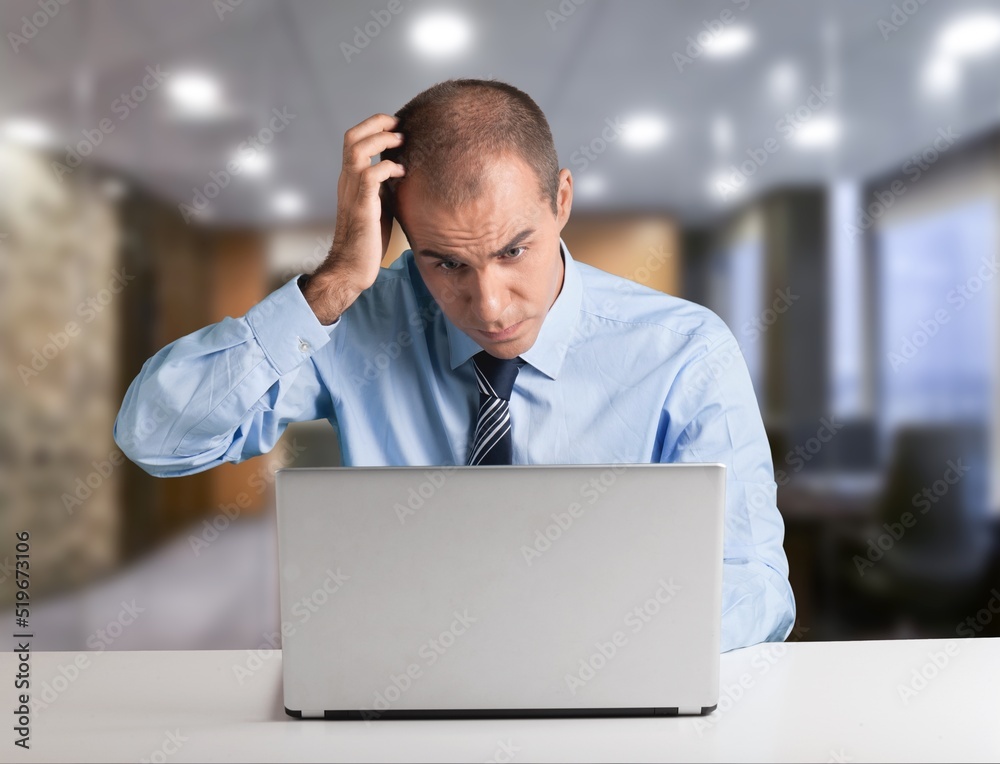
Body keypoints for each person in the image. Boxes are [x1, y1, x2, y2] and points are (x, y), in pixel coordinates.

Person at [114, 78, 795, 652]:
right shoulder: (361, 324)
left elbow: (756, 587)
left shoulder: (685, 352)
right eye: (446, 262)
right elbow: (157, 439)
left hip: (607, 688)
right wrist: (333, 284)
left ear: (561, 201)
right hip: (404, 690)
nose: (490, 305)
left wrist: (586, 640)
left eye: (512, 251)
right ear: (401, 231)